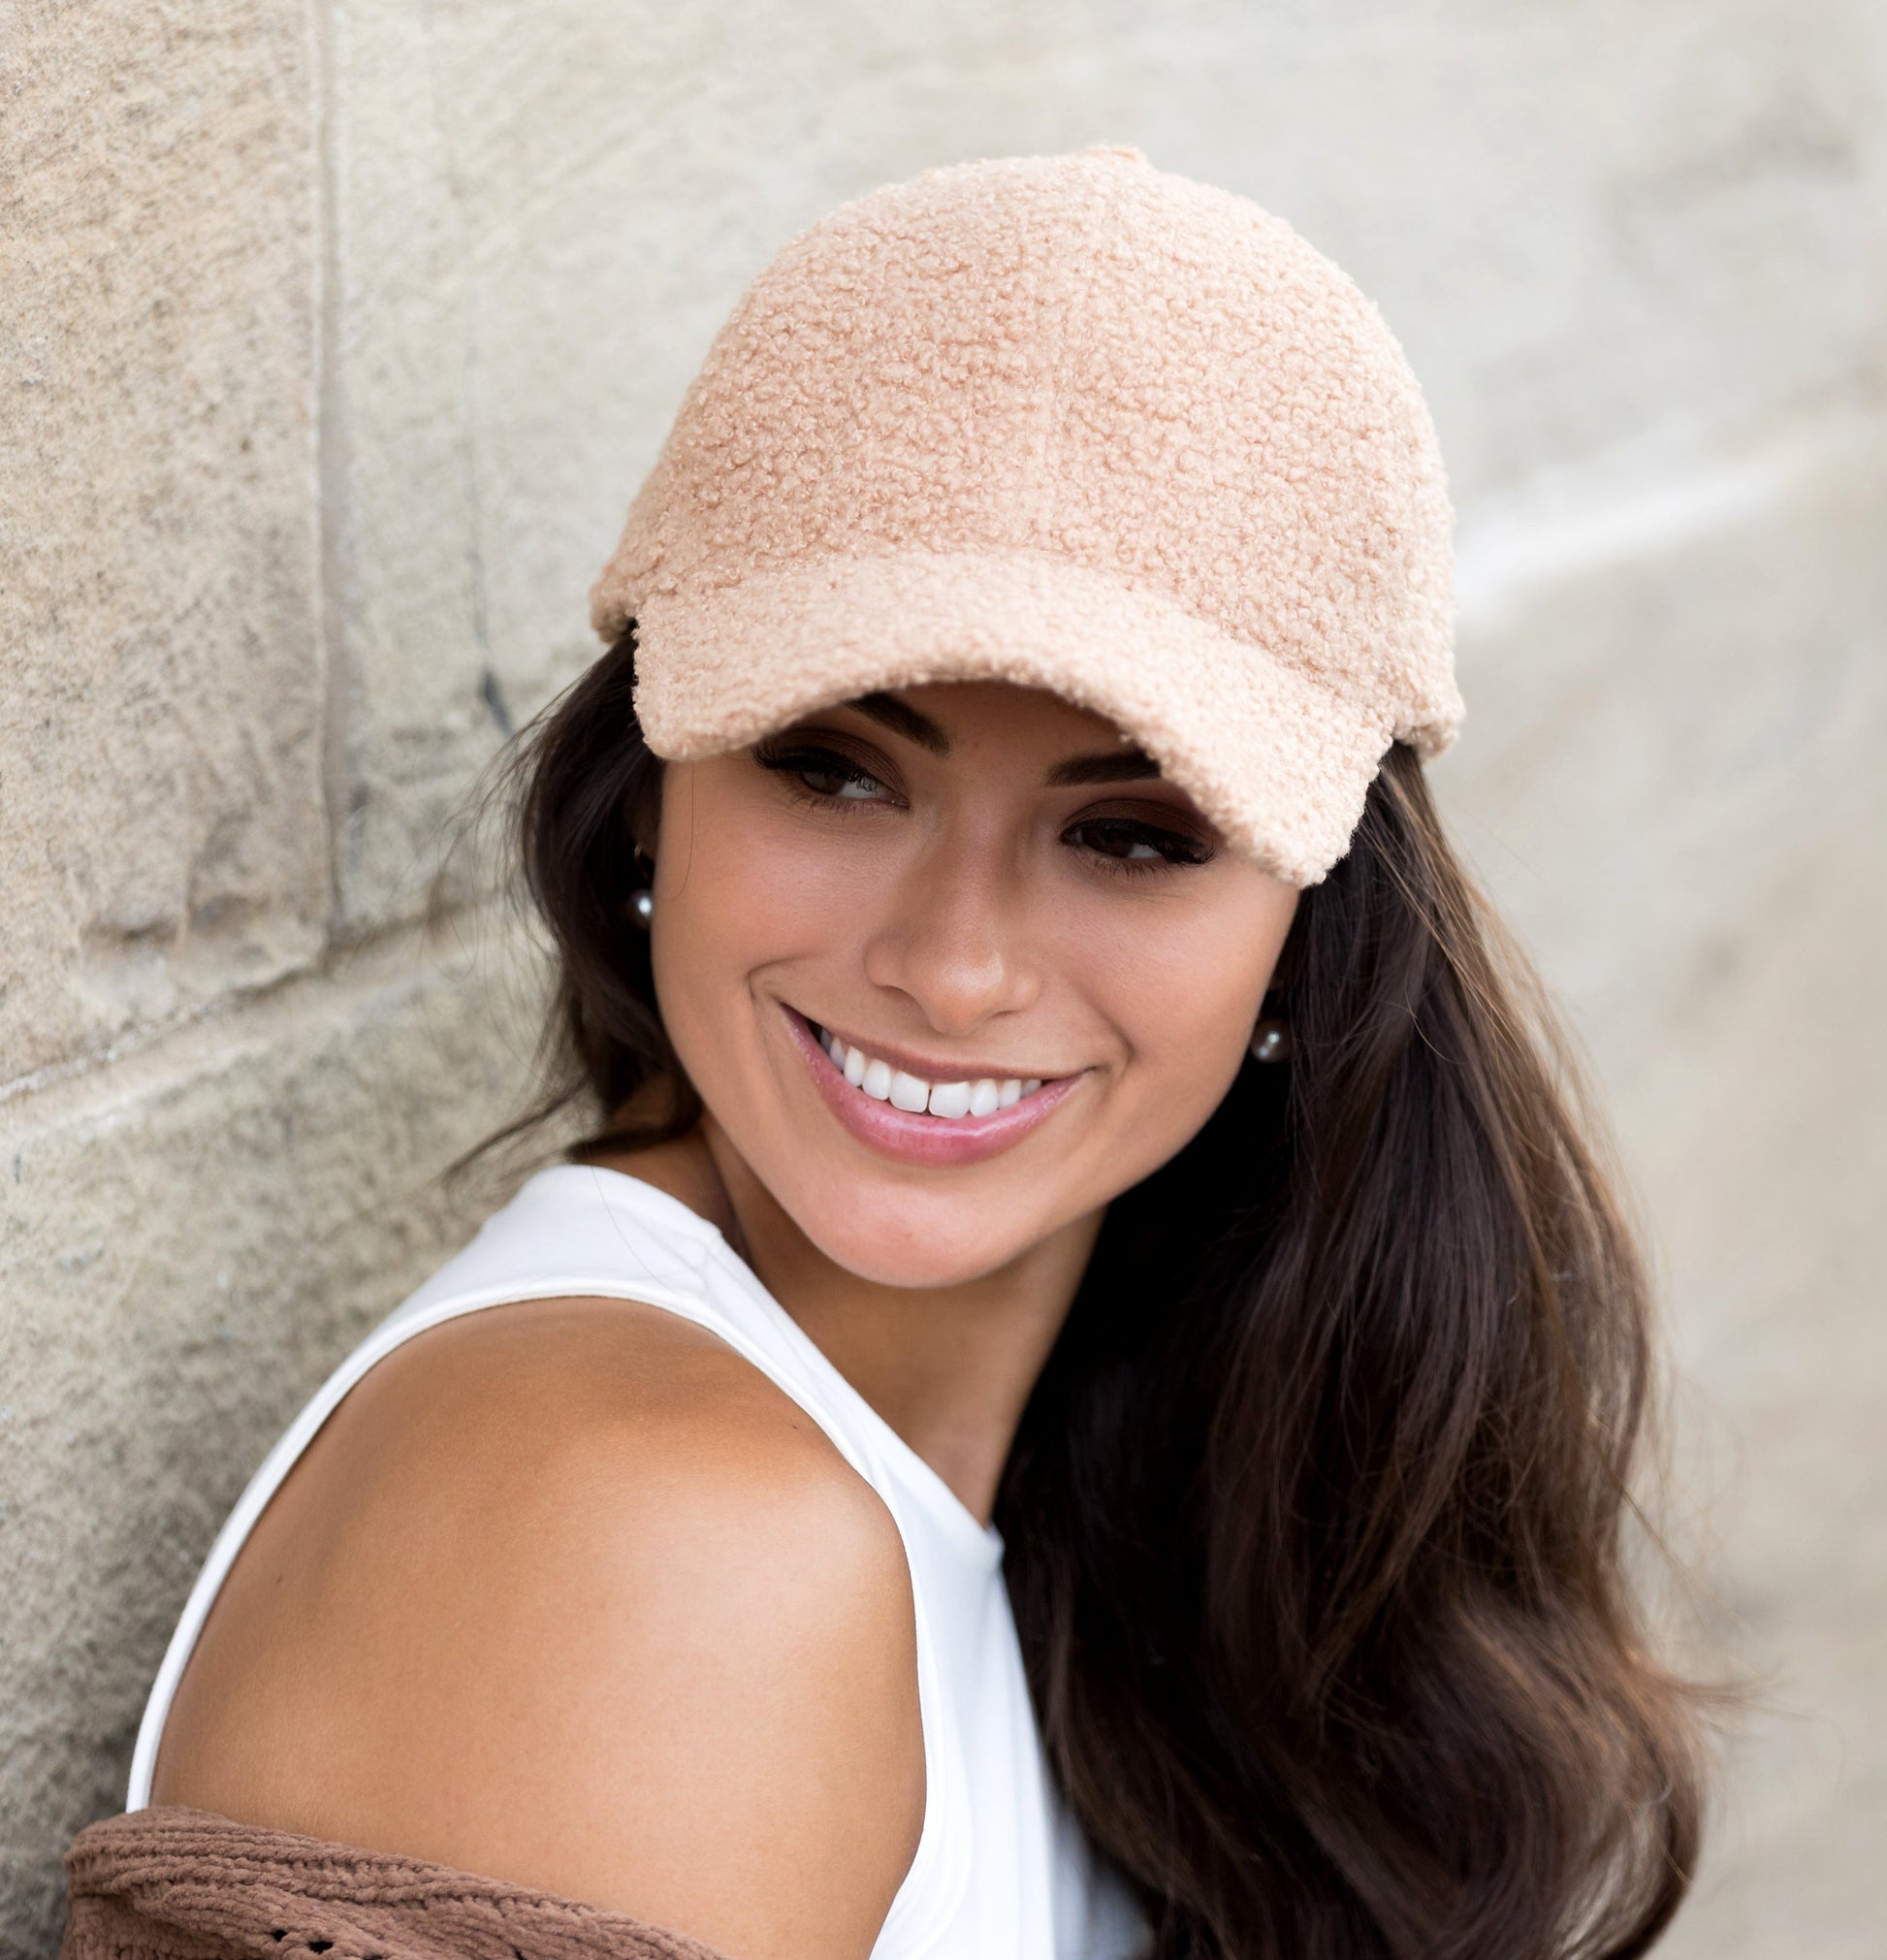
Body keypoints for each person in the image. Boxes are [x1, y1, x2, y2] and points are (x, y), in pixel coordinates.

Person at [118, 149, 1706, 1960]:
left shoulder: (1118, 1477)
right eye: (835, 769)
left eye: (1129, 835)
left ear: (1311, 927)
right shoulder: (647, 1531)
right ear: (643, 796)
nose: (953, 969)